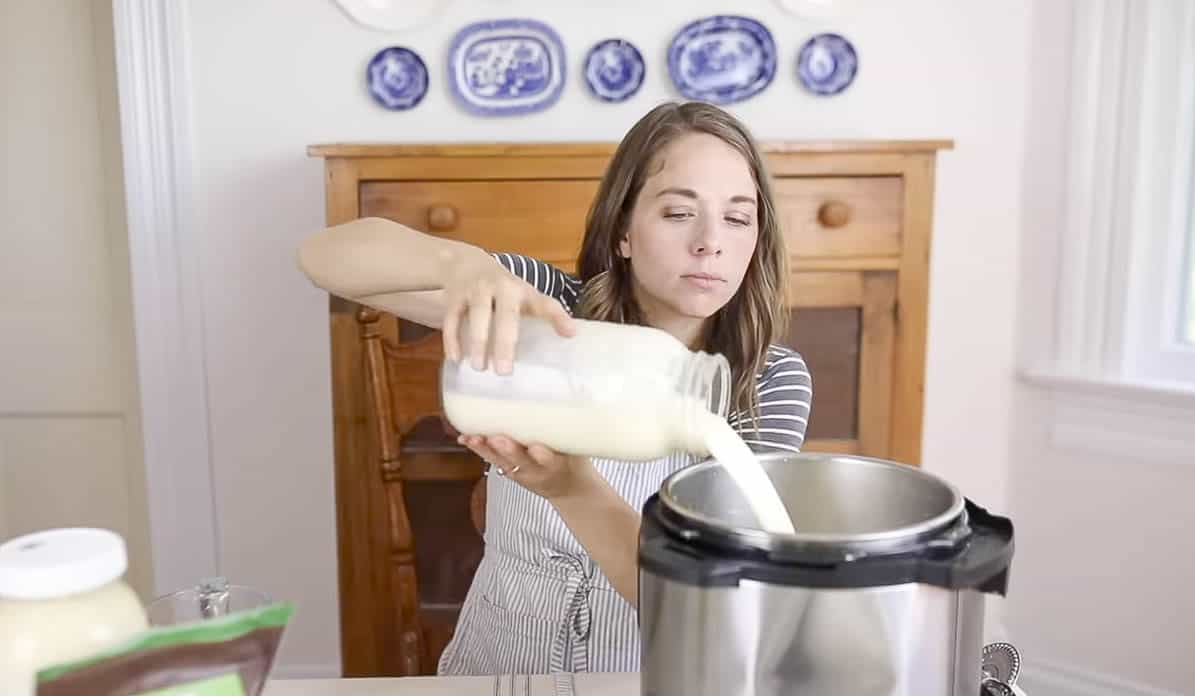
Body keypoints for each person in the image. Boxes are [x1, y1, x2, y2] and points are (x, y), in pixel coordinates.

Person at [297, 101, 813, 675]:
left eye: (738, 219)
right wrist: (459, 264)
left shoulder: (766, 381)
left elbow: (709, 603)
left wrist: (572, 490)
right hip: (494, 671)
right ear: (623, 230)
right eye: (677, 213)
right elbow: (323, 258)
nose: (710, 242)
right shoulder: (551, 312)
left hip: (642, 681)